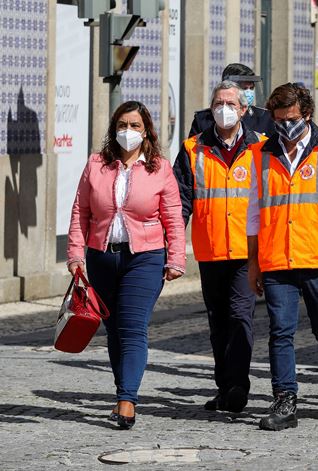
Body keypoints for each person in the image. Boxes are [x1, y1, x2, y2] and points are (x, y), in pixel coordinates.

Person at [246, 83, 318, 431]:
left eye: (291, 118)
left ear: (307, 114)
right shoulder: (261, 154)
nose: (284, 125)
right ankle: (285, 400)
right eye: (278, 120)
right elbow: (254, 212)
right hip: (277, 259)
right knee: (280, 331)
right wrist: (253, 263)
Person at [67, 100, 186, 430]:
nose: (128, 132)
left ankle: (127, 400)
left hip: (146, 258)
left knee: (133, 326)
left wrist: (176, 257)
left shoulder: (159, 168)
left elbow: (173, 218)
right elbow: (81, 213)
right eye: (122, 125)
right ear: (113, 129)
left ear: (146, 130)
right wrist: (76, 255)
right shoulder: (96, 165)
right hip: (102, 256)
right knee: (114, 330)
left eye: (134, 126)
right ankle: (124, 392)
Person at [173, 81, 267, 413]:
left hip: (246, 250)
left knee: (241, 316)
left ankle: (238, 385)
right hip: (210, 248)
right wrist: (172, 247)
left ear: (244, 109)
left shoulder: (262, 147)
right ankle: (224, 386)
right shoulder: (192, 148)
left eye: (230, 103)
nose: (223, 108)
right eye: (217, 102)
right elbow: (180, 200)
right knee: (217, 323)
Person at [189, 63, 274, 136]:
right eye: (243, 88)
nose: (248, 92)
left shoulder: (264, 118)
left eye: (251, 88)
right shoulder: (204, 120)